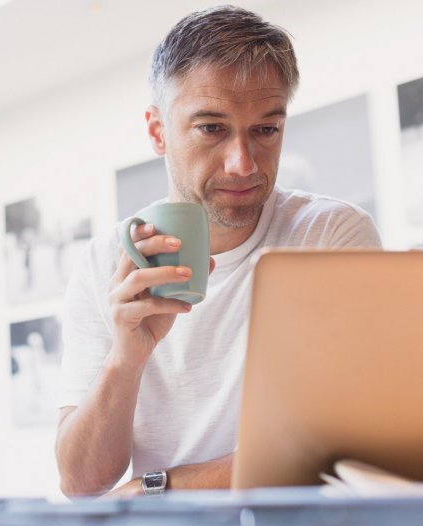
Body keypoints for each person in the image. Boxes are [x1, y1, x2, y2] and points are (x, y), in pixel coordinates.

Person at [55, 5, 382, 498]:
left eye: (266, 129)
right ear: (157, 131)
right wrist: (126, 358)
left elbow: (348, 442)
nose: (243, 163)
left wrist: (162, 488)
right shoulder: (105, 261)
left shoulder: (331, 234)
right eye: (212, 128)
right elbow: (83, 482)